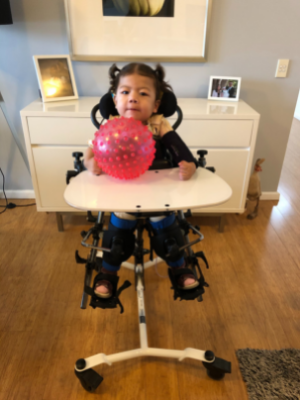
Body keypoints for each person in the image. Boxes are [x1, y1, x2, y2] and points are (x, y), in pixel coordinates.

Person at [84, 63, 199, 299]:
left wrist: (188, 163)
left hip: (156, 190)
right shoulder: (111, 126)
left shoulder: (157, 124)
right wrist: (90, 162)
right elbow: (91, 151)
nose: (133, 99)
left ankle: (179, 267)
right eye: (125, 92)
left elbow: (178, 148)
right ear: (115, 100)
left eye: (143, 93)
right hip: (122, 191)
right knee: (119, 229)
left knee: (166, 225)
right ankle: (108, 272)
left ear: (156, 104)